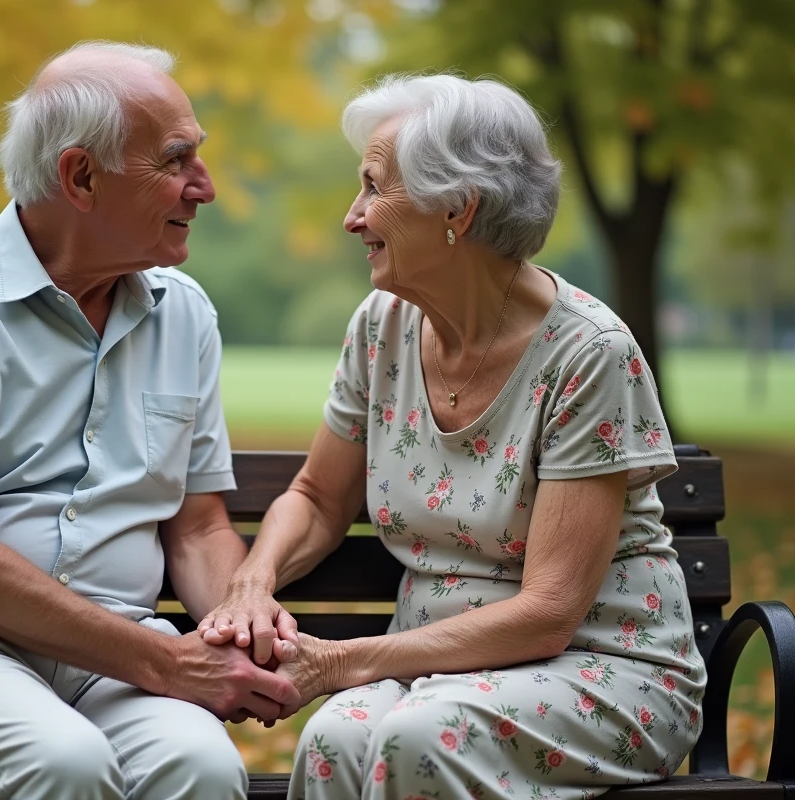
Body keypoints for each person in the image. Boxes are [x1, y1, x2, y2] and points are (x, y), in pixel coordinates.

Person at [199, 74, 707, 800]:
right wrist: (252, 582)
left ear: (457, 210)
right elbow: (315, 497)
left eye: (374, 188)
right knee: (334, 738)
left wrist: (339, 662)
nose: (353, 216)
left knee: (419, 740)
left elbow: (549, 614)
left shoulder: (588, 354)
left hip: (604, 670)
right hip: (435, 674)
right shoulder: (382, 327)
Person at [0, 41, 299, 800]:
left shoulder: (185, 314)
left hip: (112, 657)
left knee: (201, 769)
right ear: (80, 176)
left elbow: (197, 526)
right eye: (176, 161)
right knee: (63, 764)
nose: (204, 187)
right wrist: (168, 665)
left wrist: (241, 625)